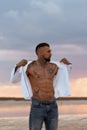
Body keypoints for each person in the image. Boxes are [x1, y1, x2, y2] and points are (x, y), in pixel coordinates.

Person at [10, 43, 72, 130]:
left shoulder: (54, 66)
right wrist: (17, 66)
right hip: (37, 106)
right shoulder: (30, 67)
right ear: (40, 53)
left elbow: (64, 74)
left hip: (53, 105)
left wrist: (68, 64)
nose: (51, 53)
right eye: (48, 51)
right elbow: (14, 80)